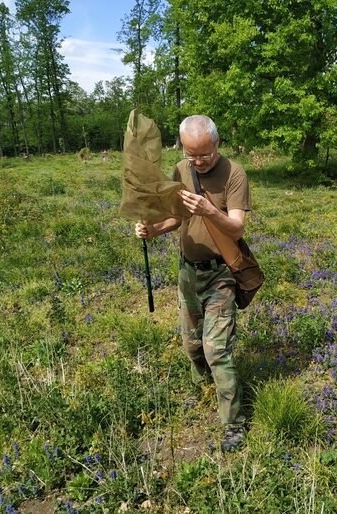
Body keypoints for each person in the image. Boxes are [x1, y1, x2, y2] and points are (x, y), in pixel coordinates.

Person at [135, 115, 250, 452]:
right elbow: (177, 215)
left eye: (205, 155)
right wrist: (153, 230)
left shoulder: (235, 174)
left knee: (217, 350)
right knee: (191, 345)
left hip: (221, 273)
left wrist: (209, 209)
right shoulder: (181, 170)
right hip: (188, 271)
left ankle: (234, 426)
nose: (198, 162)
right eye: (191, 155)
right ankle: (204, 388)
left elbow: (237, 228)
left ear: (217, 144)